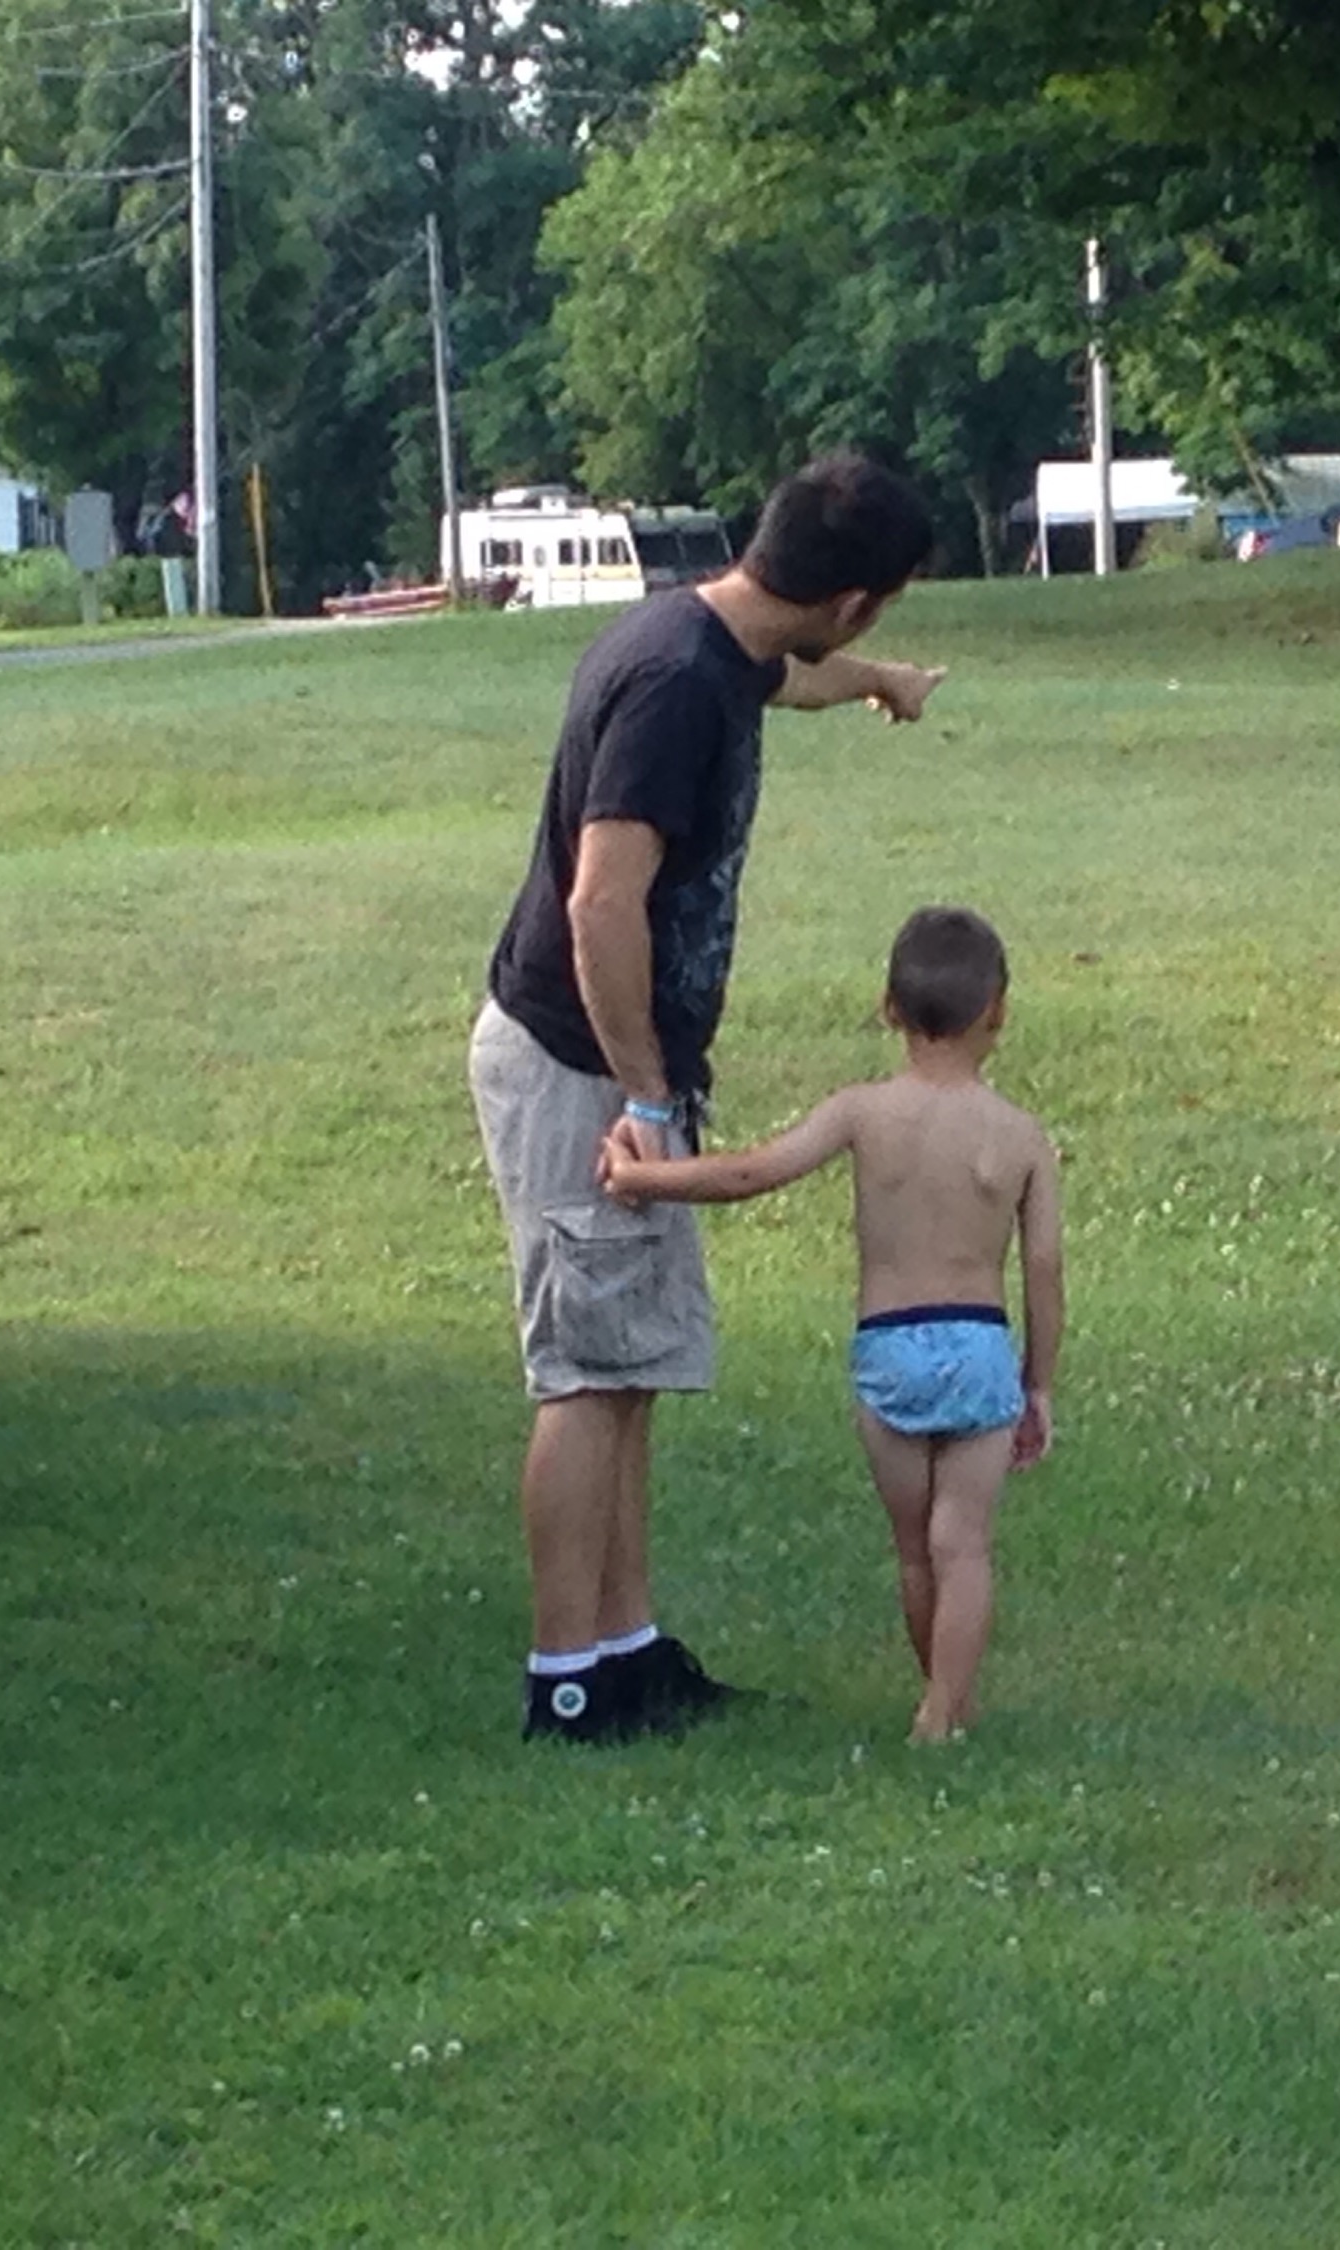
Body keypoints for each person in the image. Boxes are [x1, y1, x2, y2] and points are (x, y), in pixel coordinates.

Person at [469, 453, 946, 1745]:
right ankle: (568, 1683)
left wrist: (880, 683)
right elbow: (600, 902)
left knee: (629, 1365)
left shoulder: (718, 642)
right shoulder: (677, 684)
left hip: (624, 1066)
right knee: (585, 1374)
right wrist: (644, 1095)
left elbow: (793, 677)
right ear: (851, 597)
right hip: (582, 1066)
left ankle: (626, 1651)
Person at [603, 906, 1063, 1744]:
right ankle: (944, 1710)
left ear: (888, 1008)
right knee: (964, 1544)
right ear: (998, 1011)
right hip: (978, 1345)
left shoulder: (861, 1112)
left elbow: (751, 1173)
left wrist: (645, 1181)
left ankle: (943, 1702)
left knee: (915, 1549)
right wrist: (1037, 1383)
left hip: (889, 1346)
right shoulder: (1021, 1136)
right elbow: (1044, 1267)